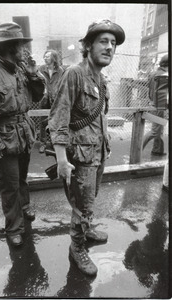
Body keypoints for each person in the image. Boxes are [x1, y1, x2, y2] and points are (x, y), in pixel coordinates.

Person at [48, 19, 125, 276]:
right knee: (81, 205)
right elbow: (58, 117)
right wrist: (61, 159)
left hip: (97, 153)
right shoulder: (74, 74)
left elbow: (99, 117)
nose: (110, 48)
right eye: (103, 41)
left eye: (113, 43)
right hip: (79, 157)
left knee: (90, 201)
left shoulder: (100, 80)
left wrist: (106, 147)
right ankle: (77, 247)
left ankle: (87, 229)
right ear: (88, 45)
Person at [0, 22, 45, 246]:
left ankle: (24, 207)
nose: (25, 50)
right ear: (10, 47)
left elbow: (37, 97)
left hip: (23, 132)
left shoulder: (22, 69)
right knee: (10, 183)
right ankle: (14, 226)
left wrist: (34, 75)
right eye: (21, 46)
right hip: (4, 137)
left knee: (22, 177)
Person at [38, 49, 64, 153]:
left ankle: (55, 143)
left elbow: (62, 84)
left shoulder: (60, 70)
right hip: (44, 99)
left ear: (53, 58)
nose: (45, 58)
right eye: (44, 56)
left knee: (55, 121)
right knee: (43, 121)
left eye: (47, 56)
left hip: (55, 99)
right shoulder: (41, 69)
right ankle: (43, 143)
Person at [143, 54, 168, 156]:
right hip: (160, 106)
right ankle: (137, 149)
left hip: (155, 104)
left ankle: (158, 150)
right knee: (155, 131)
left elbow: (150, 91)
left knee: (159, 129)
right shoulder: (164, 75)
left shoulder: (154, 74)